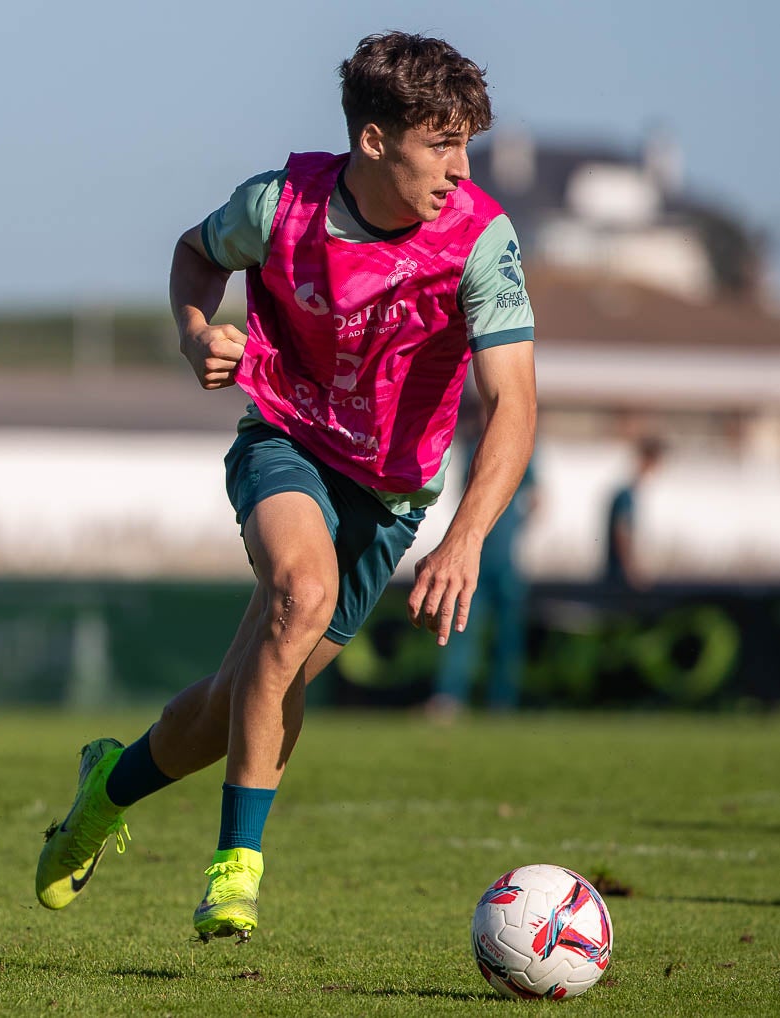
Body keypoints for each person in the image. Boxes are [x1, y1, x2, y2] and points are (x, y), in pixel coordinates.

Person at [36, 32, 536, 943]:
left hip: (389, 498)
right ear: (375, 141)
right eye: (442, 144)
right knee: (298, 593)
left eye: (468, 143)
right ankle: (236, 869)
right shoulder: (278, 205)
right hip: (286, 441)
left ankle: (105, 788)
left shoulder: (480, 236)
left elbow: (513, 404)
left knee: (233, 706)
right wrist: (196, 334)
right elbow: (194, 255)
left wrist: (460, 539)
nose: (462, 169)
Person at [428, 400, 539, 718]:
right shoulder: (472, 447)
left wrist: (513, 528)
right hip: (476, 556)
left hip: (502, 559)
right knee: (461, 628)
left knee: (505, 635)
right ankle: (451, 697)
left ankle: (501, 701)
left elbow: (535, 498)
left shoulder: (515, 444)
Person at [604, 436, 664, 592]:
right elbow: (621, 533)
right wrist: (631, 571)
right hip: (619, 580)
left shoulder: (630, 494)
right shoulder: (625, 496)